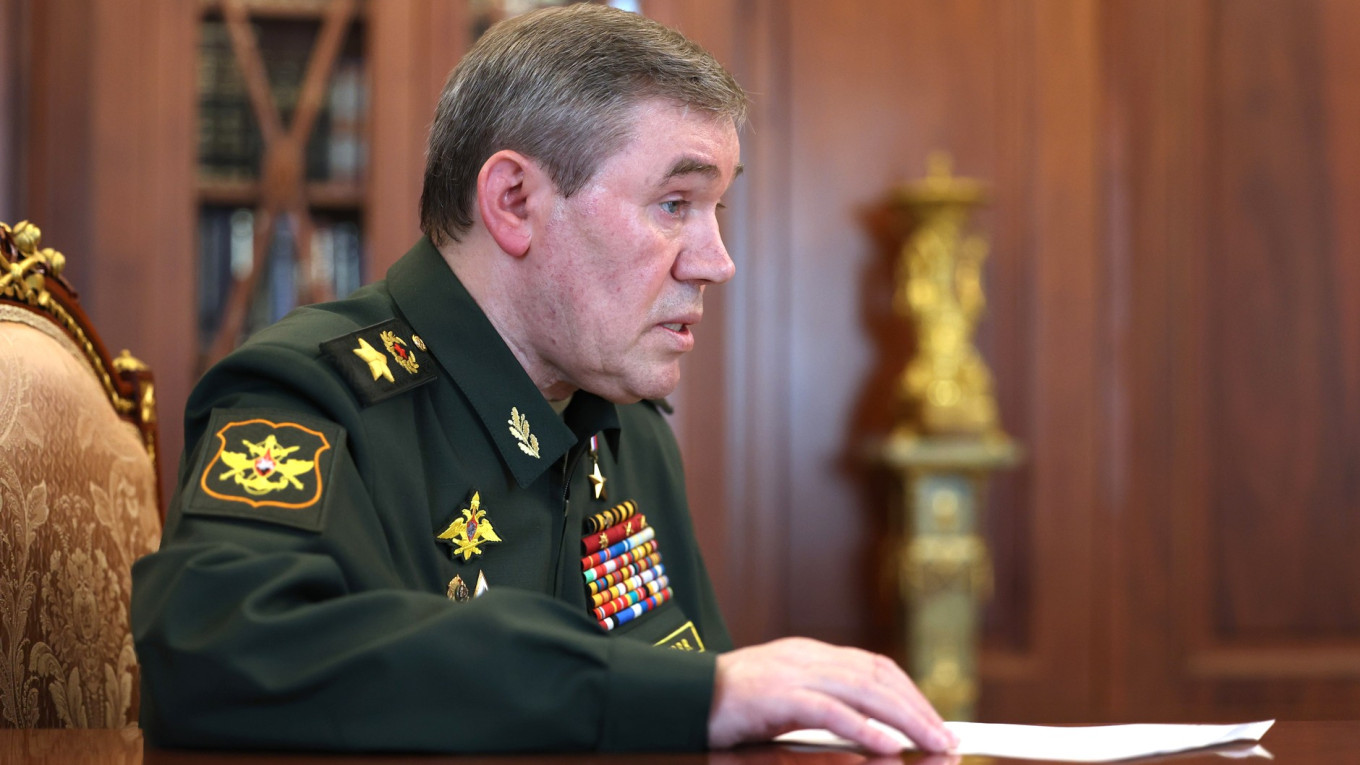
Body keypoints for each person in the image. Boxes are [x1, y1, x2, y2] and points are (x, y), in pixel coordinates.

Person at [132, 3, 955, 755]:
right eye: (674, 203)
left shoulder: (629, 429)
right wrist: (668, 693)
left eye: (718, 210)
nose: (716, 261)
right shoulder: (309, 395)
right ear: (515, 201)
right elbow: (215, 657)